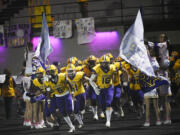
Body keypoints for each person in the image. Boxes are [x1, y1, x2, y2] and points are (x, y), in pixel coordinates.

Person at [90, 55, 116, 127]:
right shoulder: (97, 68)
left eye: (106, 63)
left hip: (109, 88)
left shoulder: (112, 67)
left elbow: (115, 75)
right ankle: (108, 111)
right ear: (100, 63)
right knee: (102, 106)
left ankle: (108, 121)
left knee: (108, 103)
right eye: (103, 63)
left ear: (109, 62)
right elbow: (91, 80)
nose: (104, 64)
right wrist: (95, 88)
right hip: (100, 89)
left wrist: (114, 82)